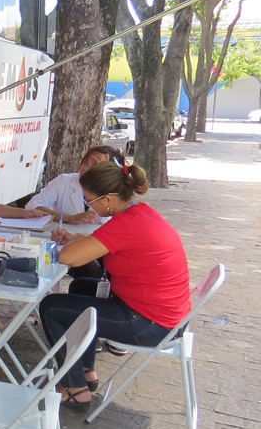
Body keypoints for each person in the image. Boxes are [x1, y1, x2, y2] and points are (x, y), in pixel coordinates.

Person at [38, 159, 191, 412]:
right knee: (80, 288)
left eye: (90, 201)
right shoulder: (140, 213)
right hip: (168, 314)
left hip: (151, 324)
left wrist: (74, 246)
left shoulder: (126, 224)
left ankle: (74, 389)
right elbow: (112, 243)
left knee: (51, 306)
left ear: (108, 199)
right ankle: (86, 371)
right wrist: (78, 238)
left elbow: (67, 258)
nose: (89, 206)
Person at [26, 145, 129, 357]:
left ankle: (98, 333)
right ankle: (84, 340)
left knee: (94, 273)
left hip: (96, 249)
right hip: (74, 244)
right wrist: (69, 219)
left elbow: (106, 235)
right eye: (87, 161)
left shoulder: (117, 207)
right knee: (83, 277)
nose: (88, 167)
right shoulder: (65, 181)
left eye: (97, 164)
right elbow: (32, 206)